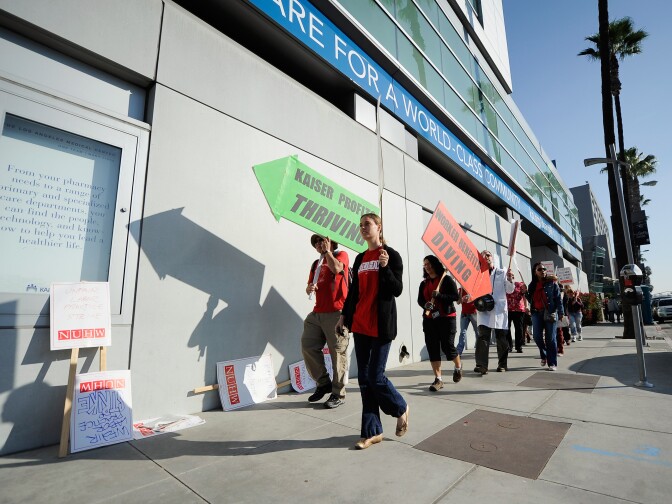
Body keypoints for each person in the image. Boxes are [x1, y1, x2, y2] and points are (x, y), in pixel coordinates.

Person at [337, 213, 408, 450]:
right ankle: (372, 432)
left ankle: (401, 407)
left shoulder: (391, 256)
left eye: (367, 224)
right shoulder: (359, 259)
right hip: (360, 325)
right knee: (365, 381)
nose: (363, 228)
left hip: (381, 326)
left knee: (376, 378)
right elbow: (354, 292)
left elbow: (396, 290)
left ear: (379, 227)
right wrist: (344, 316)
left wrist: (386, 268)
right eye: (360, 226)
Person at [301, 234, 350, 409]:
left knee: (338, 353)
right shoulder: (316, 264)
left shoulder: (340, 255)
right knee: (307, 345)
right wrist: (309, 288)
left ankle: (338, 393)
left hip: (337, 312)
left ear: (330, 242)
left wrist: (328, 252)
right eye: (316, 242)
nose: (319, 244)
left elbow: (337, 269)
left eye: (322, 240)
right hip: (317, 313)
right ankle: (323, 383)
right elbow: (310, 286)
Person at [417, 255, 462, 391]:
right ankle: (438, 379)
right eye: (425, 264)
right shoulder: (424, 283)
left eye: (429, 264)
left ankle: (458, 367)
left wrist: (440, 296)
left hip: (446, 318)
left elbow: (455, 296)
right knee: (433, 348)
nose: (427, 267)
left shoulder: (446, 280)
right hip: (430, 320)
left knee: (448, 347)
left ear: (435, 264)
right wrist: (426, 305)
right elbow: (420, 300)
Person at [474, 250, 515, 374]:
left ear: (492, 257)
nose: (486, 257)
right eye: (483, 255)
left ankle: (502, 364)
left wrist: (510, 279)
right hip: (484, 310)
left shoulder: (502, 272)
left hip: (499, 310)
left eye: (488, 255)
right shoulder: (478, 274)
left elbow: (509, 290)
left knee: (501, 338)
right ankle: (482, 365)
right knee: (483, 337)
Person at [526, 263, 563, 371]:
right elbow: (531, 301)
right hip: (536, 313)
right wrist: (525, 293)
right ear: (535, 272)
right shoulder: (532, 285)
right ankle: (544, 354)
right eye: (540, 269)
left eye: (544, 269)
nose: (543, 270)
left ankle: (552, 362)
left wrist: (561, 312)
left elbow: (557, 299)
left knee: (550, 339)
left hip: (550, 312)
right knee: (537, 337)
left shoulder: (552, 283)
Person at [506, 271, 528, 353]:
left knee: (519, 328)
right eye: (508, 275)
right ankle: (509, 346)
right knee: (507, 328)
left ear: (514, 277)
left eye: (511, 275)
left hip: (518, 310)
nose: (510, 276)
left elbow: (524, 295)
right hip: (507, 310)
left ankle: (519, 346)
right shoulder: (504, 285)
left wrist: (526, 306)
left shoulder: (519, 284)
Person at [456, 287, 477, 355]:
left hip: (474, 313)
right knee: (462, 332)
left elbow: (478, 298)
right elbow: (458, 302)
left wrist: (470, 297)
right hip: (464, 313)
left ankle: (479, 350)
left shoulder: (473, 288)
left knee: (477, 332)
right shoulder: (460, 289)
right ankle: (459, 352)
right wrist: (460, 296)